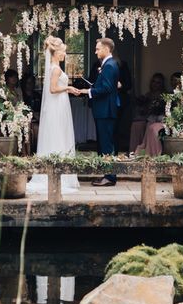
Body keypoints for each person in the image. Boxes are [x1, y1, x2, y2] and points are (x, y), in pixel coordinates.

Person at [26, 37, 80, 196]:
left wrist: (68, 89)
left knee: (58, 135)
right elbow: (53, 89)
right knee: (58, 136)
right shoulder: (55, 68)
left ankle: (58, 173)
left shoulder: (53, 67)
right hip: (57, 106)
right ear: (56, 53)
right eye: (63, 51)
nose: (65, 54)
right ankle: (58, 176)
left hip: (58, 105)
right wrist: (68, 87)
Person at [78, 38, 120, 186]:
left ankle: (110, 177)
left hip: (106, 110)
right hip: (104, 110)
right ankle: (107, 174)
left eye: (98, 49)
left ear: (107, 49)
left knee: (106, 145)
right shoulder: (109, 64)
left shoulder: (109, 65)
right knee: (104, 144)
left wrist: (88, 91)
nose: (95, 52)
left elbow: (107, 88)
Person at [131, 73, 166, 154]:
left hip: (159, 118)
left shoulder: (165, 95)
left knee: (151, 124)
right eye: (153, 81)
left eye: (158, 82)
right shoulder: (148, 95)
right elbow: (143, 110)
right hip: (147, 117)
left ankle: (148, 150)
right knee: (136, 124)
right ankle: (133, 151)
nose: (155, 84)